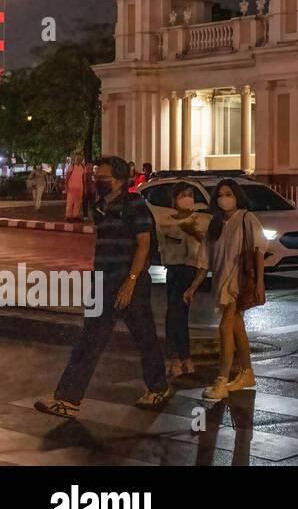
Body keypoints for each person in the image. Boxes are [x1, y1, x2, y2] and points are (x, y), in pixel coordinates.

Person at [34, 156, 170, 419]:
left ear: (120, 179)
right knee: (90, 339)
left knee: (145, 338)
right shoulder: (98, 206)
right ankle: (68, 399)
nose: (96, 181)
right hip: (103, 282)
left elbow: (143, 246)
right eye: (95, 176)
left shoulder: (135, 204)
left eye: (102, 178)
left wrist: (130, 283)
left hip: (130, 283)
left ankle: (158, 387)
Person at [202, 179, 267, 400]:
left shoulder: (246, 218)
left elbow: (258, 250)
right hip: (221, 282)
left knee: (225, 327)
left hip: (237, 283)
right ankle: (247, 373)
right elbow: (207, 256)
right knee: (237, 327)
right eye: (220, 194)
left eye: (228, 194)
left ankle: (221, 379)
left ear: (237, 196)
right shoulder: (216, 222)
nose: (224, 198)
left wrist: (260, 283)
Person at [158, 183, 210, 377]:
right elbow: (162, 247)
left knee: (175, 315)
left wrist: (192, 232)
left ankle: (178, 358)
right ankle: (180, 359)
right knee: (174, 315)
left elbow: (205, 248)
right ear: (174, 200)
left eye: (190, 195)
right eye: (182, 195)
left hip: (191, 272)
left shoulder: (201, 221)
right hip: (173, 271)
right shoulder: (165, 222)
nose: (186, 198)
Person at [64, 155, 89, 222]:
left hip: (80, 187)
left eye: (80, 159)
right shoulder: (71, 166)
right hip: (71, 187)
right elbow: (67, 177)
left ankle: (75, 215)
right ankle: (68, 216)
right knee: (70, 201)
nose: (78, 160)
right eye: (77, 158)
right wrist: (66, 186)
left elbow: (84, 179)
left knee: (78, 202)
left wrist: (85, 188)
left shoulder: (83, 167)